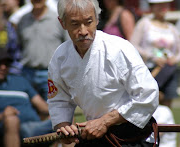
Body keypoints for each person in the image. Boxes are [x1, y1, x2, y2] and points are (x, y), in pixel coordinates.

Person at [47, 0, 159, 146]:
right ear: (63, 23)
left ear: (97, 19)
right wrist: (63, 127)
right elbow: (59, 100)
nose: (83, 31)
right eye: (75, 24)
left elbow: (148, 94)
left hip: (132, 134)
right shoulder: (60, 57)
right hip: (93, 134)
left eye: (89, 22)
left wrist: (106, 121)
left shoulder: (119, 49)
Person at [130, 0, 180, 108]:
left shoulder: (172, 28)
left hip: (168, 71)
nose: (163, 7)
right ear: (152, 7)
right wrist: (152, 57)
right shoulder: (144, 23)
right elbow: (134, 45)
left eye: (165, 4)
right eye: (159, 5)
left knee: (167, 105)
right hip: (150, 70)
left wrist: (174, 59)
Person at [17, 0, 69, 100]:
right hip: (27, 73)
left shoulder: (57, 19)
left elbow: (68, 46)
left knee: (55, 109)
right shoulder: (23, 21)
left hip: (51, 73)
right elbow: (19, 46)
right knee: (31, 113)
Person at [0, 50, 53, 147]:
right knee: (11, 120)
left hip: (34, 127)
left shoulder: (20, 81)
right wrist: (3, 115)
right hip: (6, 127)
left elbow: (42, 106)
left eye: (6, 64)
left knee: (65, 118)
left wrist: (57, 112)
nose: (3, 67)